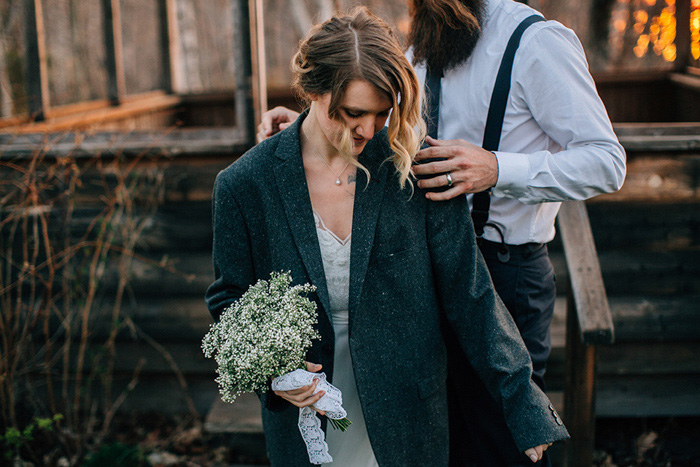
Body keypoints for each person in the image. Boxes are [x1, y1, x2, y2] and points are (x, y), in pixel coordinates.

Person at [258, 1, 626, 465]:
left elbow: (606, 162)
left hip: (501, 275)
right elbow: (379, 132)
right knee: (437, 442)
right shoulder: (424, 46)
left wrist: (497, 168)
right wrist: (311, 130)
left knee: (503, 445)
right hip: (420, 280)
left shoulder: (535, 42)